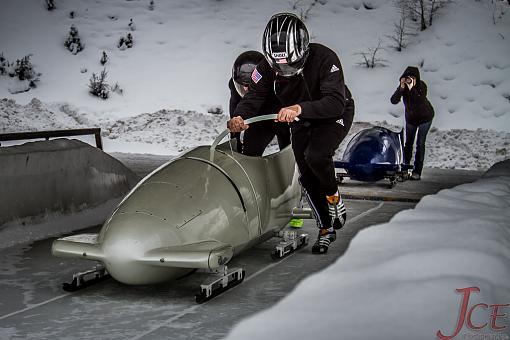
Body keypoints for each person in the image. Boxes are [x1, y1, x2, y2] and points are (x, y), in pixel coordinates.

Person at [228, 12, 355, 254]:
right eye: (280, 66)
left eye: (291, 64)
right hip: (298, 116)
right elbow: (254, 95)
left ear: (303, 52)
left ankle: (334, 197)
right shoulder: (265, 68)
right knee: (306, 175)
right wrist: (240, 117)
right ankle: (326, 229)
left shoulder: (326, 59)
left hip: (332, 113)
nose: (285, 70)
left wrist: (299, 108)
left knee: (316, 155)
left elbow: (335, 102)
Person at [229, 50, 291, 156]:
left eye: (250, 86)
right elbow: (235, 114)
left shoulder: (278, 84)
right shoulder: (234, 87)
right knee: (250, 152)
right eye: (242, 85)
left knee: (288, 148)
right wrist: (236, 147)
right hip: (257, 119)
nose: (245, 89)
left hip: (279, 116)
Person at [390, 66, 435, 180]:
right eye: (407, 78)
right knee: (408, 143)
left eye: (412, 78)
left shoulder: (421, 86)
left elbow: (419, 100)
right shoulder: (403, 87)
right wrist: (401, 88)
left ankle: (417, 171)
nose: (409, 80)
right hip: (411, 119)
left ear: (416, 78)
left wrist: (412, 88)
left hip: (425, 118)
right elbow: (393, 100)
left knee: (420, 143)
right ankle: (404, 170)